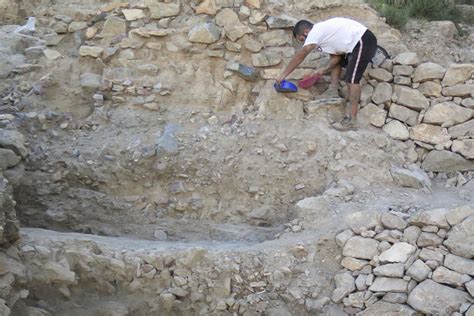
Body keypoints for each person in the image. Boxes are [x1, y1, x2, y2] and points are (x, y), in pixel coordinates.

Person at [276, 17, 378, 131]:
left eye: (302, 40)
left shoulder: (315, 31)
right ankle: (333, 90)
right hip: (357, 43)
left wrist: (283, 75)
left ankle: (352, 121)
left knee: (352, 80)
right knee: (340, 65)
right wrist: (322, 70)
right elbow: (336, 57)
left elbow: (302, 54)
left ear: (306, 31)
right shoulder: (325, 35)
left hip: (362, 40)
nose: (304, 43)